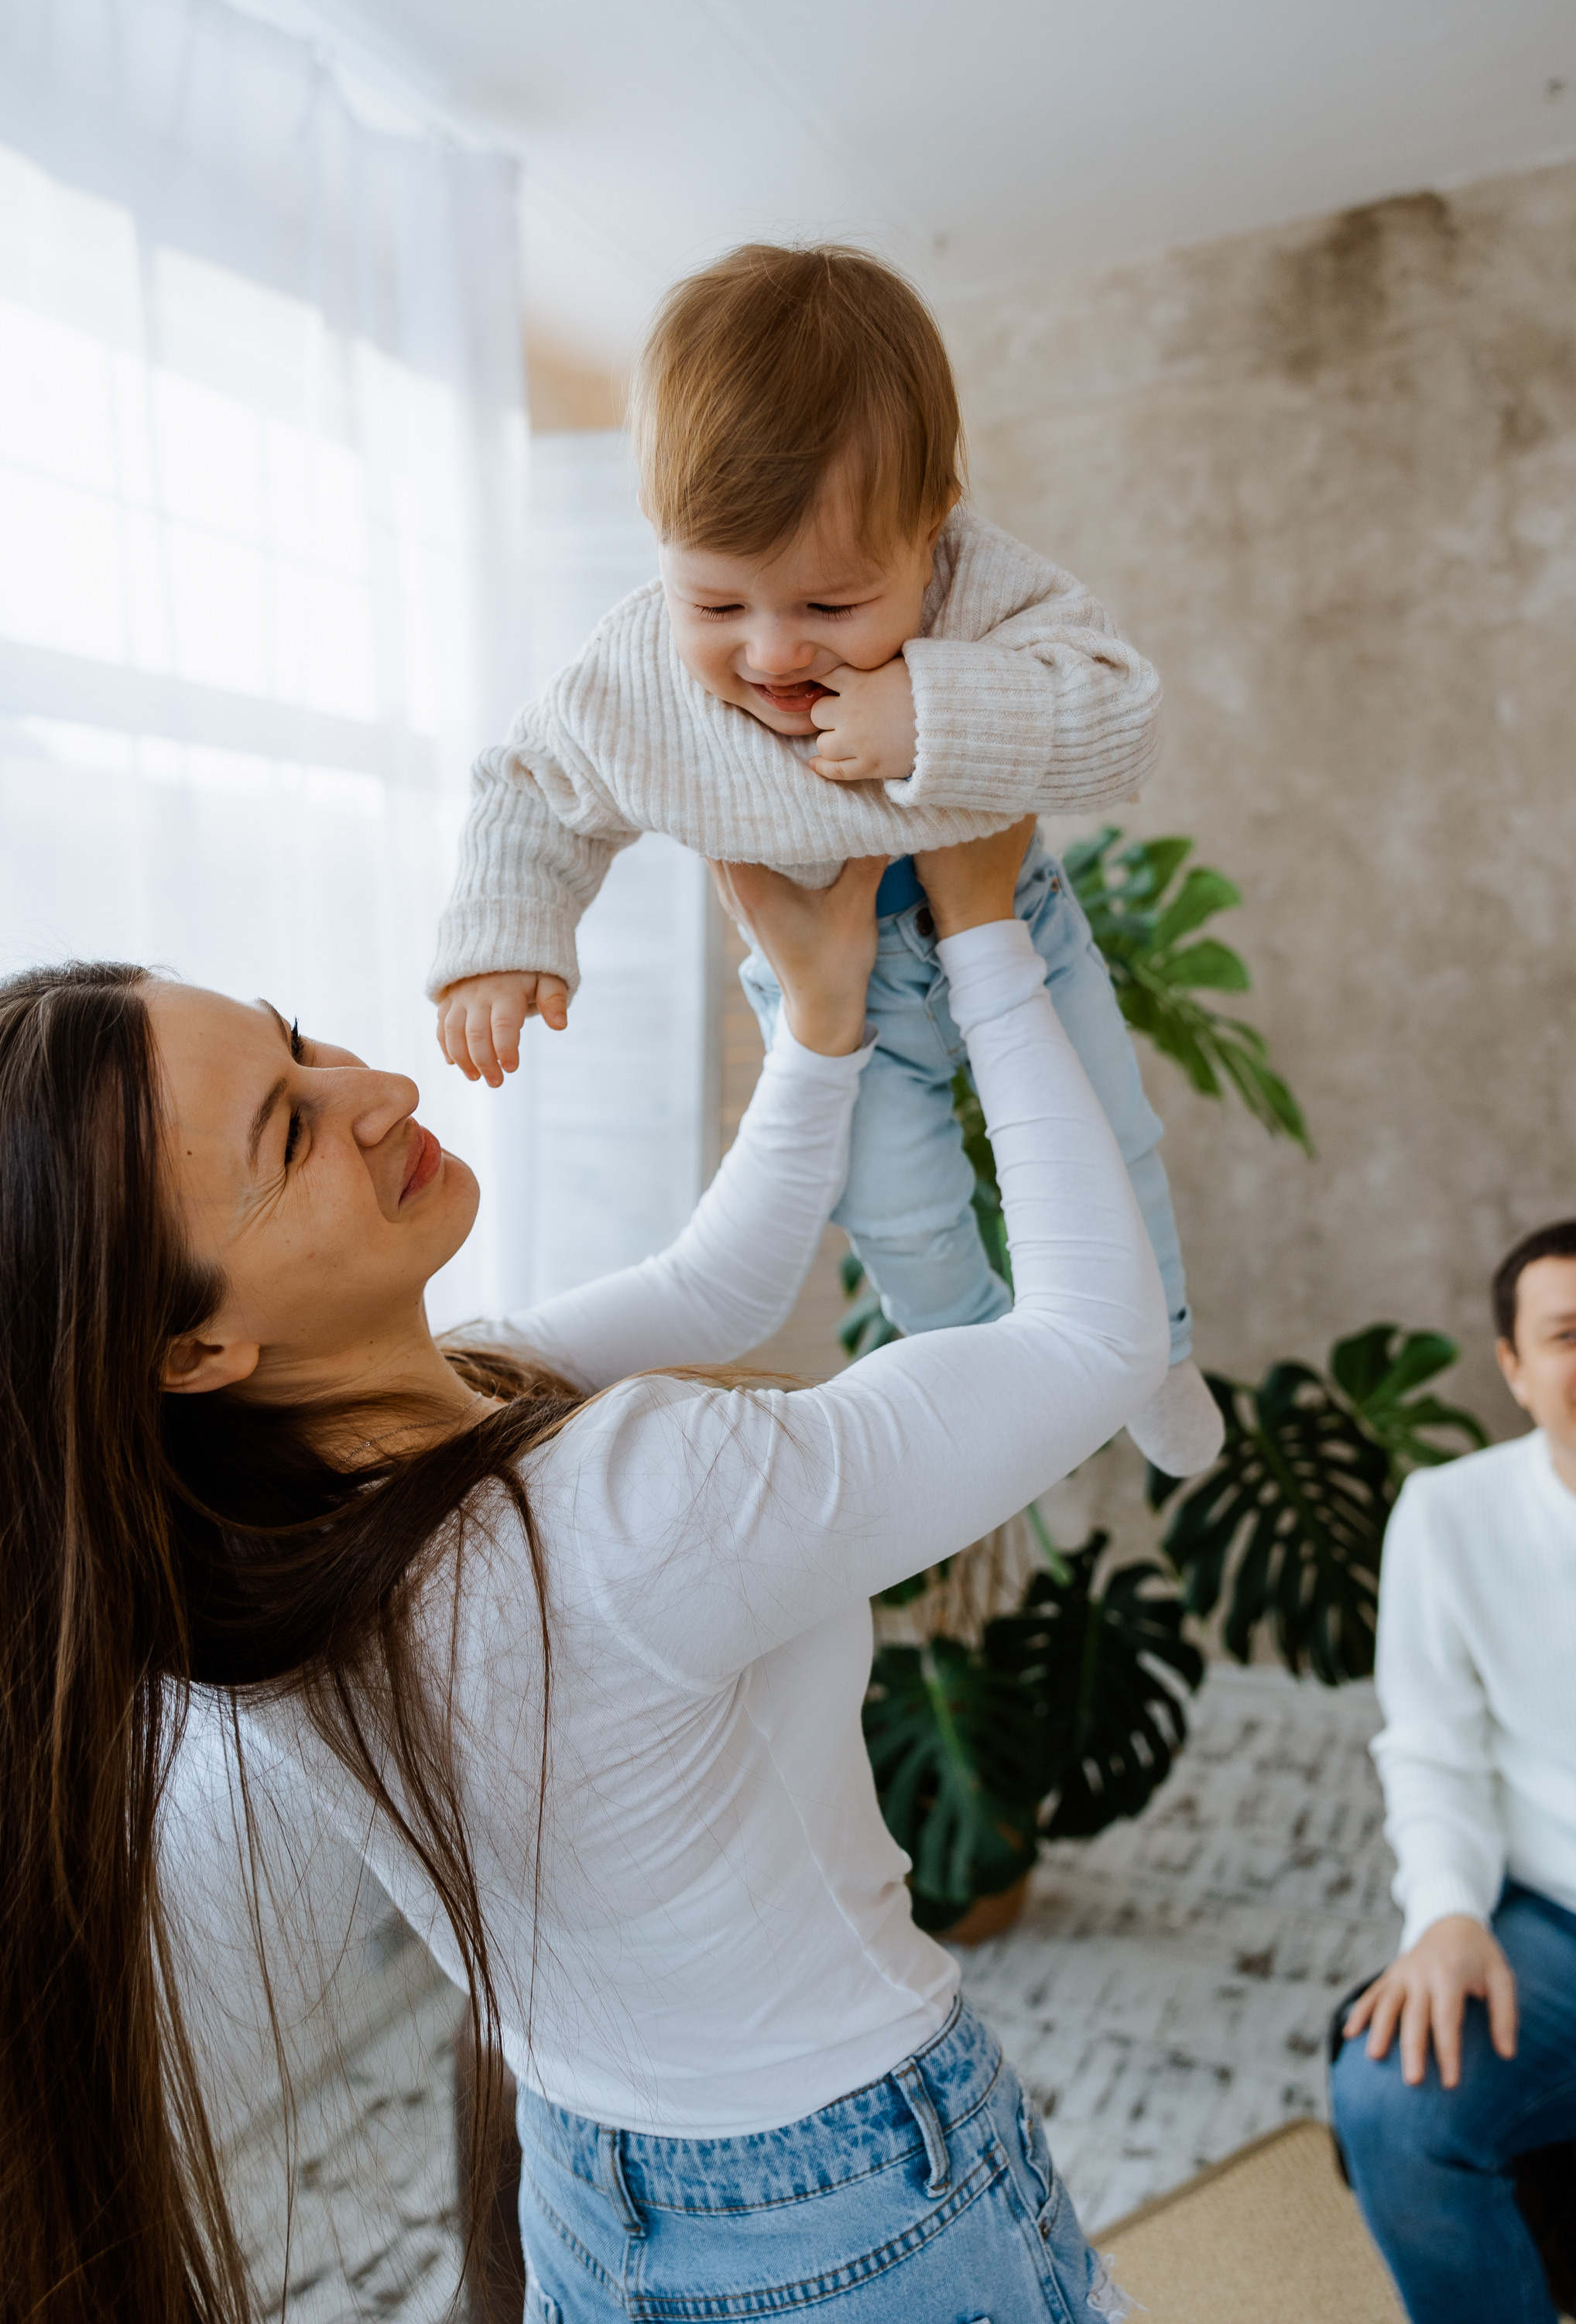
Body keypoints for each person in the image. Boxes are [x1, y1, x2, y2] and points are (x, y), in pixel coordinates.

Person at [0, 822, 1161, 2324]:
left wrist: (816, 1027)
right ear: (194, 1346)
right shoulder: (619, 1507)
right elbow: (1094, 1346)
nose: (377, 1090)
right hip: (849, 2206)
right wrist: (988, 930)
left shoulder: (252, 1540)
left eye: (300, 1044)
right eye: (288, 1133)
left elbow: (707, 1283)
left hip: (597, 2190)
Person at [430, 241, 1221, 1478]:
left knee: (1110, 1139)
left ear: (930, 526)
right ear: (658, 547)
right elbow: (534, 787)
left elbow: (1123, 721)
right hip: (822, 984)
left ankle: (1162, 1347)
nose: (770, 651)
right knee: (901, 1208)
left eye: (832, 605)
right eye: (717, 604)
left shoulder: (977, 590)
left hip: (1016, 921)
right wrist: (504, 939)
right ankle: (976, 1369)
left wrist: (935, 712)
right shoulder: (633, 669)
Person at [1332, 1215, 1576, 2324]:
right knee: (1392, 2102)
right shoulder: (1447, 1514)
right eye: (1568, 1335)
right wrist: (1446, 1914)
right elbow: (1429, 1747)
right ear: (1514, 1368)